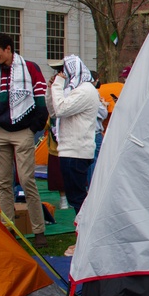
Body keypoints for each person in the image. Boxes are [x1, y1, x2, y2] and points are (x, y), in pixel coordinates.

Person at [0, 33, 49, 247]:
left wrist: (32, 128)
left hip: (23, 130)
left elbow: (41, 101)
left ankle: (38, 230)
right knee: (3, 182)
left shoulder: (29, 69)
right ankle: (8, 229)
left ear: (8, 49)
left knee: (27, 180)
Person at [46, 54, 100, 256]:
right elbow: (53, 110)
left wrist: (58, 85)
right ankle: (84, 240)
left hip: (77, 152)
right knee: (75, 198)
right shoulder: (75, 91)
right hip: (70, 150)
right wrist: (51, 88)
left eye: (62, 71)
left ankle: (85, 241)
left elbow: (60, 109)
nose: (60, 75)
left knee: (78, 199)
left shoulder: (85, 90)